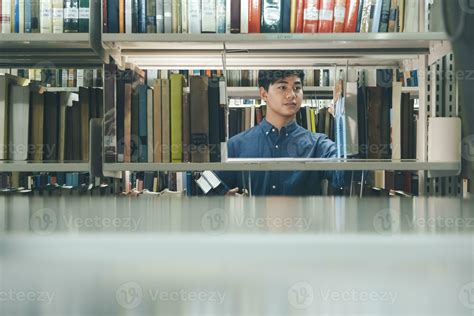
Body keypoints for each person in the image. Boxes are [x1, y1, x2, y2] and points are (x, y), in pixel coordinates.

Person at [218, 70, 344, 196]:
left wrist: (342, 115)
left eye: (297, 88)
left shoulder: (318, 144)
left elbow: (343, 177)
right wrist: (223, 198)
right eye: (282, 87)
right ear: (264, 93)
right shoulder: (236, 145)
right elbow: (204, 184)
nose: (291, 95)